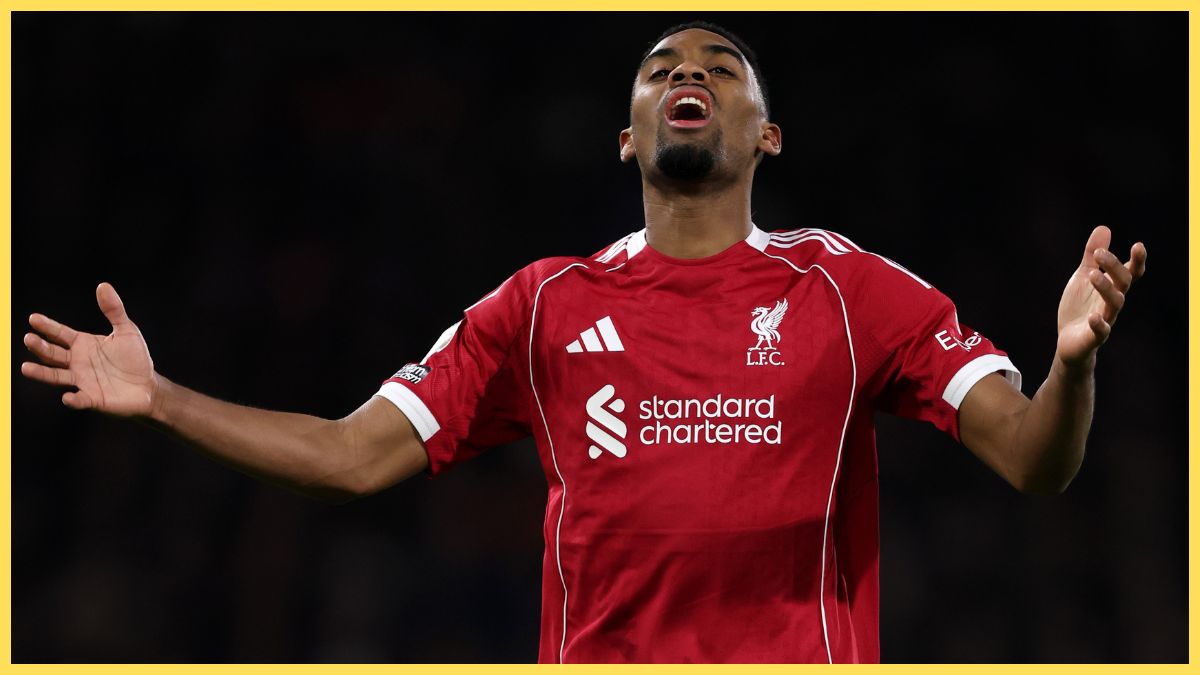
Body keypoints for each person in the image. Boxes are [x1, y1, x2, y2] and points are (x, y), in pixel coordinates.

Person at [20, 21, 1147, 664]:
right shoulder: (543, 305)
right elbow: (349, 456)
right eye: (661, 69)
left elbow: (1034, 462)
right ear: (627, 138)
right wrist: (163, 399)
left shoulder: (852, 291)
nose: (687, 75)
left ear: (769, 133)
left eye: (718, 67)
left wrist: (1075, 366)